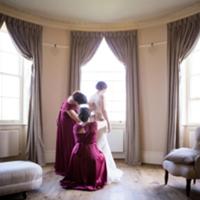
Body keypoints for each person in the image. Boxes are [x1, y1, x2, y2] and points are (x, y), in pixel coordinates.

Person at [60, 107, 107, 191]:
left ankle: (79, 179)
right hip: (90, 152)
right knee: (101, 157)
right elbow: (102, 121)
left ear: (79, 115)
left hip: (77, 153)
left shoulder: (75, 127)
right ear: (89, 116)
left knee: (80, 158)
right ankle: (92, 179)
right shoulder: (94, 125)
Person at [89, 81, 123, 184]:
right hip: (101, 121)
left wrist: (92, 117)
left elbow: (89, 109)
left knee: (98, 145)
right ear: (104, 88)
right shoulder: (102, 96)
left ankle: (94, 170)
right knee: (101, 146)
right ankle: (101, 171)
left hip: (94, 120)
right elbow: (104, 110)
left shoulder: (92, 96)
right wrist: (108, 122)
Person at [55, 91, 87, 176]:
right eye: (78, 103)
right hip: (68, 127)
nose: (79, 105)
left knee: (71, 144)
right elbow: (78, 120)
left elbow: (77, 92)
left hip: (67, 124)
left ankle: (72, 165)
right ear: (76, 101)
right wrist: (88, 121)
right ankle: (70, 167)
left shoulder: (74, 96)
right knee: (70, 144)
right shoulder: (68, 107)